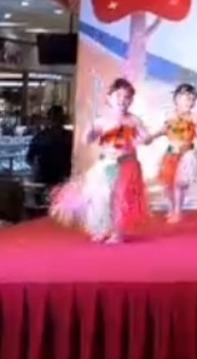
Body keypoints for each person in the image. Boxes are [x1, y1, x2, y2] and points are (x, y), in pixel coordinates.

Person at [50, 78, 152, 243]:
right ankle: (103, 229)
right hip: (106, 164)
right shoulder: (101, 121)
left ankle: (117, 232)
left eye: (127, 97)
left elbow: (147, 138)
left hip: (127, 164)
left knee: (120, 198)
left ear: (131, 100)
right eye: (118, 96)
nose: (122, 100)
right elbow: (87, 139)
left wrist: (143, 138)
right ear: (109, 97)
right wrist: (89, 131)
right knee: (101, 199)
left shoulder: (133, 120)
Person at [154, 84, 197, 223]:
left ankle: (178, 212)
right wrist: (152, 136)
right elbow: (164, 130)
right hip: (171, 154)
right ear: (176, 99)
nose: (190, 102)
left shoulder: (194, 117)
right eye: (187, 98)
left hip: (186, 154)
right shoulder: (170, 115)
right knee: (168, 184)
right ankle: (172, 207)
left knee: (179, 184)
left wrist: (194, 147)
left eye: (193, 100)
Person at [26, 106, 74, 190]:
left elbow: (29, 158)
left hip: (63, 181)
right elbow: (29, 158)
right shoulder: (41, 136)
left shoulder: (69, 137)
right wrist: (36, 168)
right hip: (45, 180)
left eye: (58, 118)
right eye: (54, 118)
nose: (56, 121)